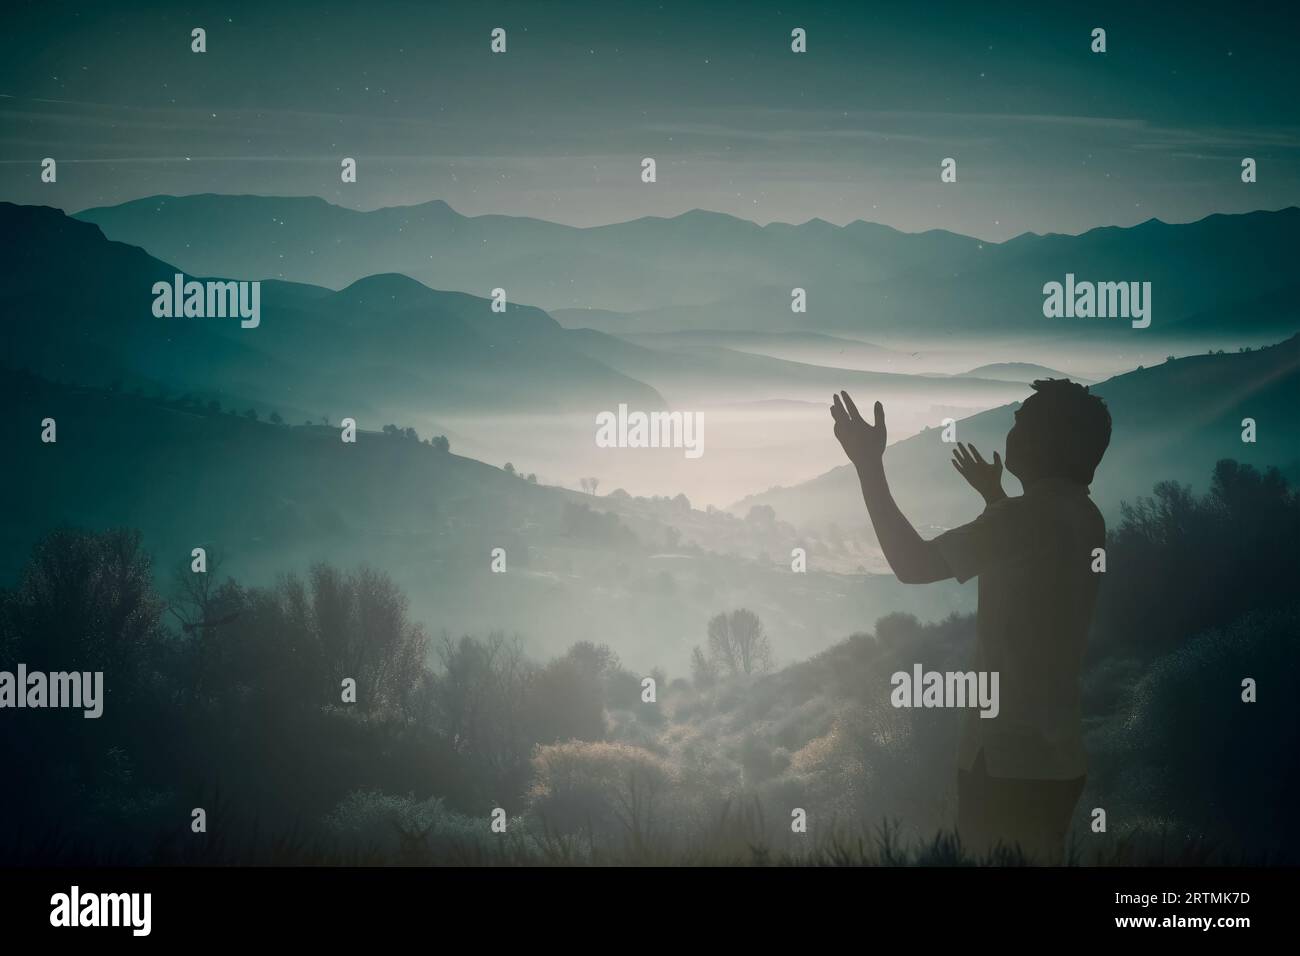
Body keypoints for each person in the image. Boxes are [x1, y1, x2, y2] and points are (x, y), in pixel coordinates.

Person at [830, 380, 1111, 863]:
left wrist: (869, 466)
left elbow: (911, 564)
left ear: (1047, 442)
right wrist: (995, 497)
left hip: (1006, 759)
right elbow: (1032, 562)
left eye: (1021, 424)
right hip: (1056, 757)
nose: (1012, 433)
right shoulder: (1085, 515)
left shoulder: (1022, 519)